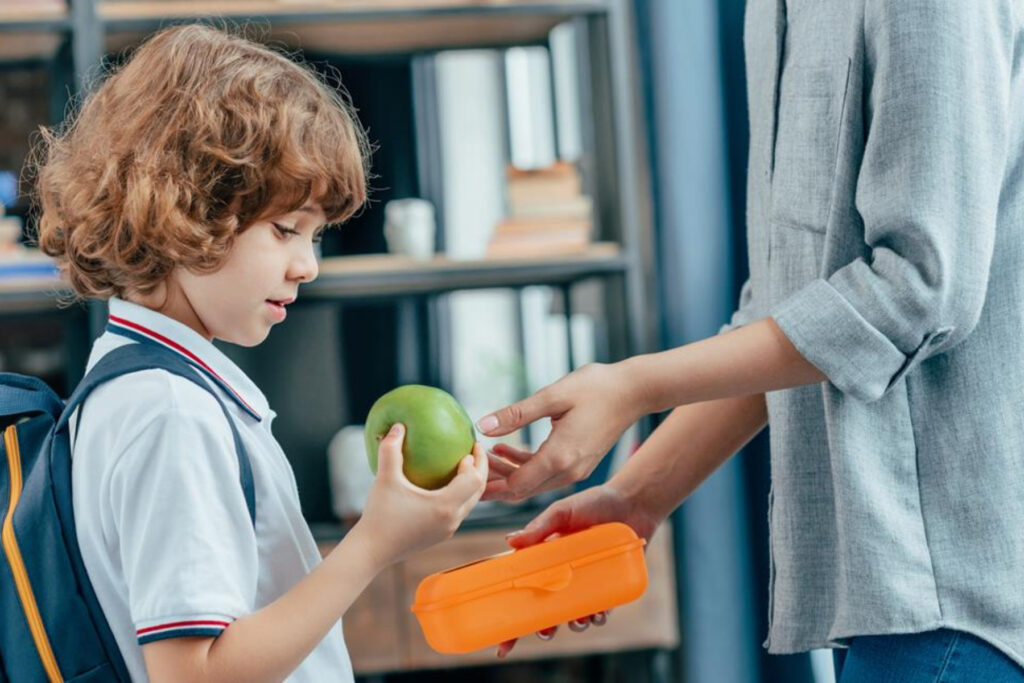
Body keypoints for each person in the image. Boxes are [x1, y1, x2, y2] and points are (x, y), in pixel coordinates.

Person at [479, 2, 1024, 679]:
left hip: (962, 590)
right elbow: (796, 315)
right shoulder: (770, 12)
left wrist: (633, 386)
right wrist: (636, 497)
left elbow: (917, 288)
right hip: (884, 591)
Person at [31, 24, 486, 683]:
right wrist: (374, 543)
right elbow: (195, 674)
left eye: (317, 236)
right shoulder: (169, 413)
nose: (307, 266)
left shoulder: (145, 388)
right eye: (285, 230)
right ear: (182, 208)